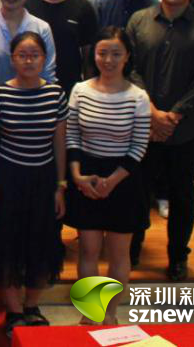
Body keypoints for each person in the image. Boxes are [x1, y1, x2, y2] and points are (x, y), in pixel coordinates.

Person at [127, 0, 194, 280]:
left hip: (185, 131)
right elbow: (130, 69)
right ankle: (132, 247)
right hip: (144, 125)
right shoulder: (139, 21)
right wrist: (153, 113)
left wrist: (174, 115)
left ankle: (178, 256)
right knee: (138, 191)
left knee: (182, 195)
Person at [0, 31, 68, 337]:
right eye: (22, 55)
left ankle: (32, 306)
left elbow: (60, 144)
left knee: (41, 244)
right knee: (8, 245)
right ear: (12, 59)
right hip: (8, 179)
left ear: (44, 59)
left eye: (35, 55)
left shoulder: (56, 94)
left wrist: (60, 186)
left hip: (43, 179)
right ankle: (14, 310)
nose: (29, 61)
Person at [65, 27, 151, 325]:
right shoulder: (80, 90)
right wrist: (77, 175)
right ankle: (91, 313)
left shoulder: (138, 97)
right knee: (88, 250)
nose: (108, 60)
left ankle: (111, 314)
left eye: (116, 53)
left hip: (123, 179)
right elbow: (72, 136)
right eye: (102, 53)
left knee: (118, 253)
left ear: (127, 56)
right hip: (86, 175)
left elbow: (139, 146)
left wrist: (112, 181)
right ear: (94, 55)